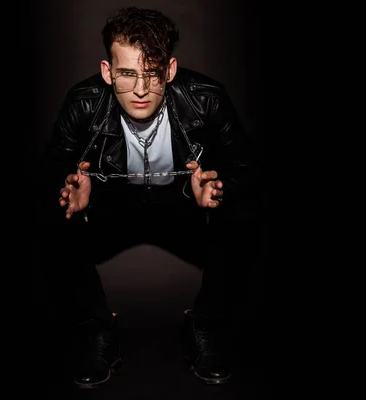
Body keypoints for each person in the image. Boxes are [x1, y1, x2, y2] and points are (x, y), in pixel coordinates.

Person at [37, 6, 257, 388]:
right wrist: (70, 191)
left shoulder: (206, 99)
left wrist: (218, 191)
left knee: (240, 220)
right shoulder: (83, 103)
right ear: (108, 72)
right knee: (58, 221)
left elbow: (248, 172)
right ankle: (98, 330)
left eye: (152, 74)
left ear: (169, 70)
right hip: (114, 204)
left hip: (183, 204)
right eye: (126, 74)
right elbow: (50, 173)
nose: (140, 89)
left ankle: (204, 325)